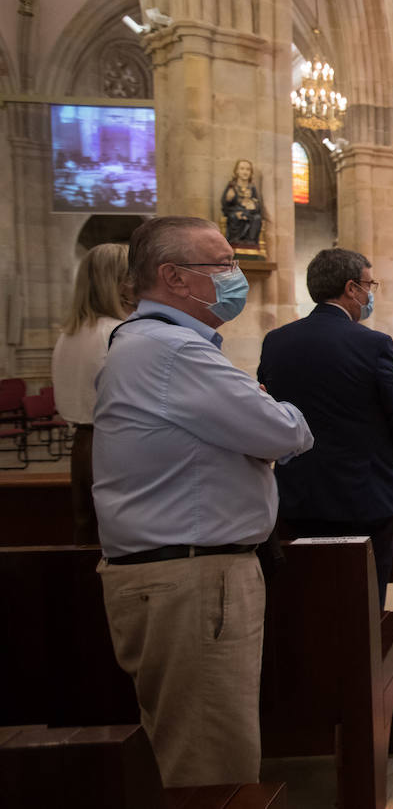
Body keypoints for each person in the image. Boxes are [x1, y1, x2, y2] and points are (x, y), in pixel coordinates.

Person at [93, 216, 314, 787]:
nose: (236, 275)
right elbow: (285, 431)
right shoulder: (171, 352)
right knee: (212, 769)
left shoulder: (148, 345)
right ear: (173, 277)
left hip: (180, 572)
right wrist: (274, 414)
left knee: (197, 753)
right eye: (222, 264)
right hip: (190, 579)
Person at [258, 248, 393, 607]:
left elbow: (268, 408)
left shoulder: (277, 341)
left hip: (297, 494)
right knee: (363, 602)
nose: (369, 293)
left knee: (309, 601)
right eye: (368, 284)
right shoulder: (372, 343)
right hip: (365, 494)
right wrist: (380, 463)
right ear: (350, 288)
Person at [51, 243, 131, 543]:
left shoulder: (69, 333)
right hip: (113, 443)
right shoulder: (116, 333)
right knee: (118, 537)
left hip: (82, 442)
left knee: (88, 531)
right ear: (119, 283)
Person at [220, 159, 263, 248]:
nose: (245, 172)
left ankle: (251, 242)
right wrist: (229, 199)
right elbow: (225, 206)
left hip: (249, 214)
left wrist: (253, 206)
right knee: (233, 216)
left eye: (248, 169)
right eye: (242, 169)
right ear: (237, 171)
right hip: (235, 214)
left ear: (251, 173)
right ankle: (235, 241)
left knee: (257, 218)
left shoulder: (252, 187)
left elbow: (258, 207)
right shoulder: (232, 186)